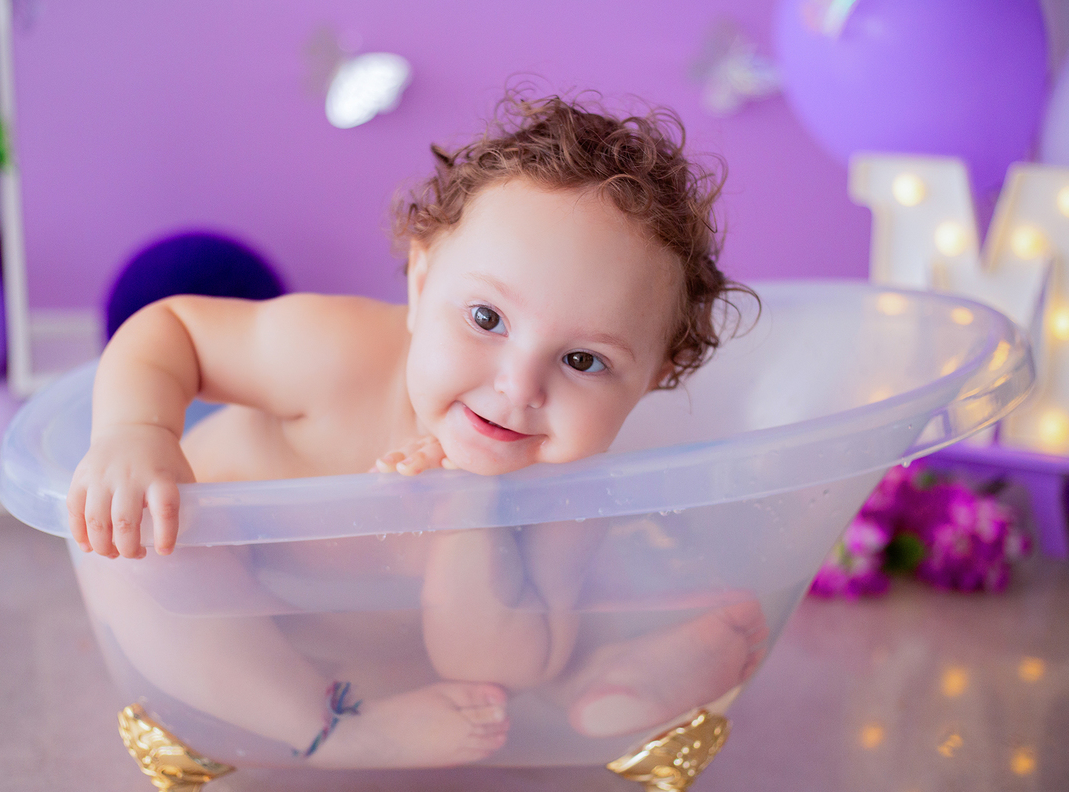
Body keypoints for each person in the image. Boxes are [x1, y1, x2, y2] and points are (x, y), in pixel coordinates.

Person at [67, 92, 763, 767]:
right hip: (226, 618)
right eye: (487, 319)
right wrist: (136, 432)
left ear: (655, 377)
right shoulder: (338, 354)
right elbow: (174, 330)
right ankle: (329, 730)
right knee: (129, 543)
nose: (517, 388)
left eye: (584, 360)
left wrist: (467, 511)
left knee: (542, 659)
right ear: (421, 282)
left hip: (393, 661)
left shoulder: (566, 484)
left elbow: (499, 665)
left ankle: (602, 684)